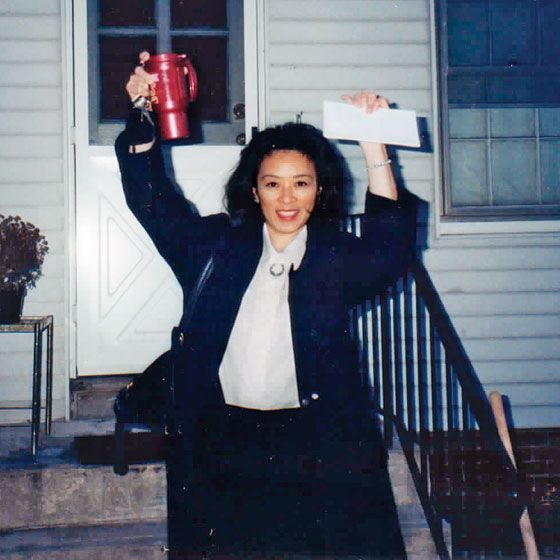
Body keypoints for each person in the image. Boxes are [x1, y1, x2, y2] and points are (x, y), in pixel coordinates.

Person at [116, 52, 416, 559]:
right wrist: (142, 113)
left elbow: (391, 252)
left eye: (302, 183)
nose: (287, 198)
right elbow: (152, 201)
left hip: (311, 447)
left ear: (319, 191)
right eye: (272, 183)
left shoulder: (333, 257)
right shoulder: (213, 246)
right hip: (222, 445)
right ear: (253, 190)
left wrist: (374, 147)